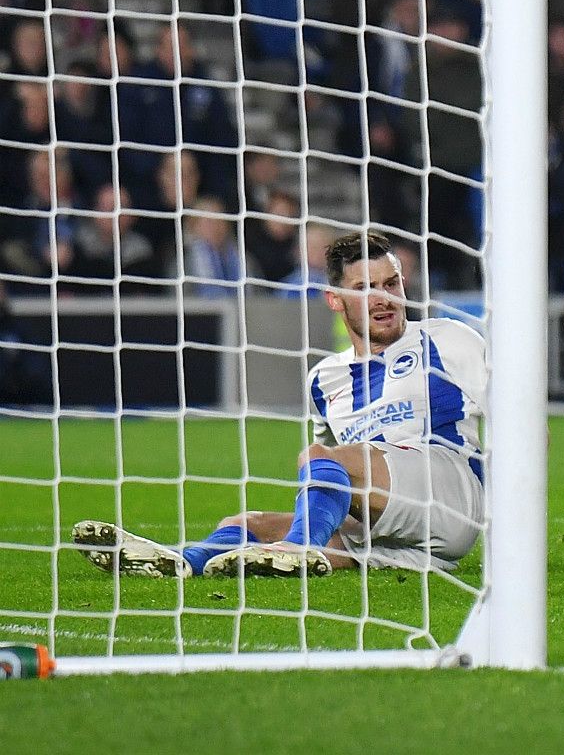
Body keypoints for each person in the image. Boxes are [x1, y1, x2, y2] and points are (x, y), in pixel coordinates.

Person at [72, 231, 487, 577]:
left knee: (324, 459)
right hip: (389, 522)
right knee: (245, 524)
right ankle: (183, 561)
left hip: (450, 494)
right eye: (364, 288)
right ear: (334, 299)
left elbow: (521, 424)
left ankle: (297, 547)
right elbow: (330, 479)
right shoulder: (325, 379)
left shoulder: (445, 337)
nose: (384, 299)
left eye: (390, 284)